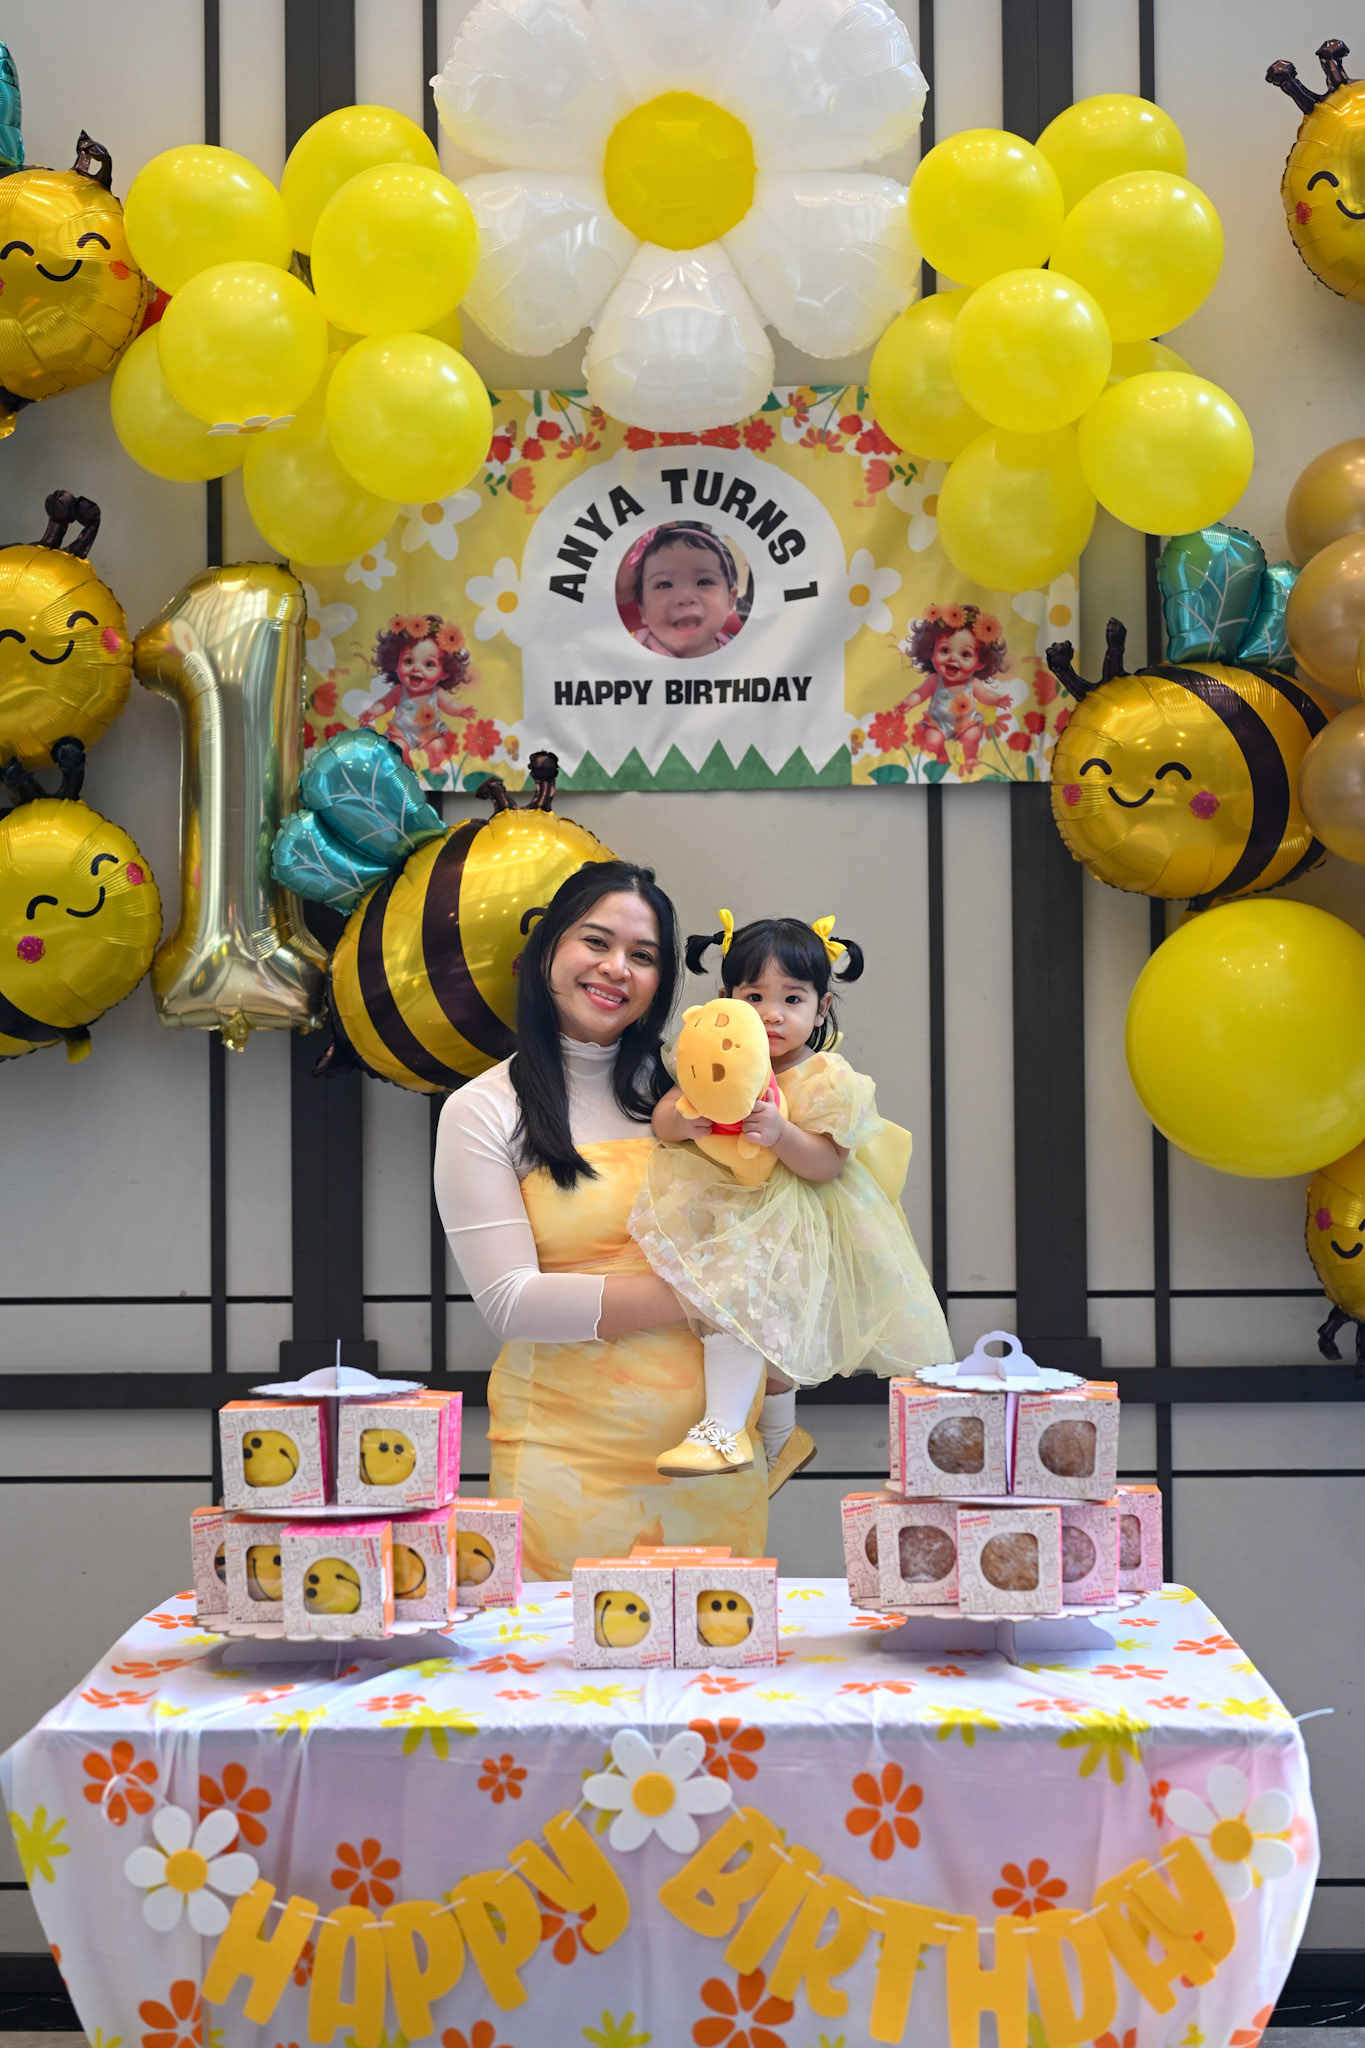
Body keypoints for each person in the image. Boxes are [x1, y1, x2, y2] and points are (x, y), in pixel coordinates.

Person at [433, 862, 769, 1579]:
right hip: (567, 1471)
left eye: (643, 955)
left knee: (713, 1650)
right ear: (548, 949)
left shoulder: (692, 1099)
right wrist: (700, 1292)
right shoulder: (482, 1110)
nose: (617, 968)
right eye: (596, 941)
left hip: (711, 1464)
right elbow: (512, 1303)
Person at [630, 911, 952, 1491]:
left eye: (792, 998)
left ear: (821, 1008)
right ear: (727, 999)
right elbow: (663, 1117)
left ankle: (724, 1428)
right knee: (745, 1321)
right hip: (731, 1209)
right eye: (754, 996)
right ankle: (780, 1441)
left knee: (751, 1314)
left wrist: (781, 1134)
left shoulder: (828, 1077)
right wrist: (686, 1120)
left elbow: (828, 1165)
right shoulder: (718, 1056)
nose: (771, 1014)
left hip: (800, 1224)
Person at [897, 602, 1015, 772]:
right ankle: (941, 753)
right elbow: (919, 693)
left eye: (965, 654)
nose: (953, 658)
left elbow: (985, 695)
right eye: (945, 650)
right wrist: (908, 702)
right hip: (938, 722)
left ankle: (970, 757)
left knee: (973, 735)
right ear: (931, 653)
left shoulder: (972, 683)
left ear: (981, 662)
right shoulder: (935, 679)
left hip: (965, 722)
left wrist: (997, 699)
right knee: (931, 740)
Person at [360, 611, 472, 774]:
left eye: (429, 664)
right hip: (402, 731)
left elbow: (449, 704)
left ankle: (434, 765)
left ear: (444, 672)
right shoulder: (400, 690)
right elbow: (384, 703)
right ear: (395, 664)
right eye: (408, 661)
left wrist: (461, 711)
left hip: (429, 732)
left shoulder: (436, 692)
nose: (416, 668)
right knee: (396, 747)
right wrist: (373, 711)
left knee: (438, 746)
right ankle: (406, 766)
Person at [626, 523, 741, 659]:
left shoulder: (744, 652)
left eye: (704, 582)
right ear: (642, 608)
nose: (685, 596)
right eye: (664, 585)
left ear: (729, 601)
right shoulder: (623, 652)